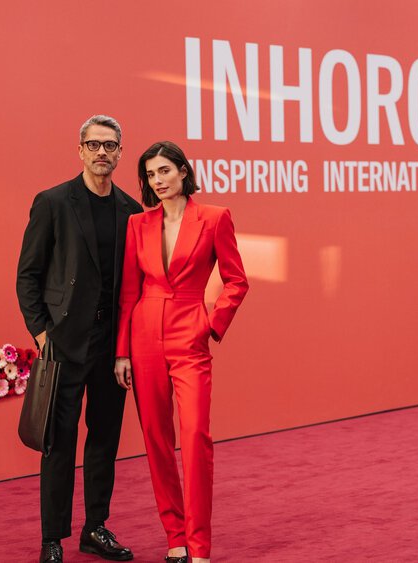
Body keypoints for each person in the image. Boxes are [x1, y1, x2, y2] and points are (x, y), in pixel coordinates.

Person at [114, 141, 249, 563]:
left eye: (165, 171)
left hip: (190, 331)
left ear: (183, 172)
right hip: (144, 334)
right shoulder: (139, 223)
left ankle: (200, 547)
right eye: (151, 175)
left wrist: (211, 324)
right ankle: (175, 539)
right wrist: (122, 352)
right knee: (156, 439)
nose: (159, 180)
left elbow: (236, 280)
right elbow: (129, 292)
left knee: (194, 438)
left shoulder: (214, 217)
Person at [17, 115, 143, 563]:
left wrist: (128, 346)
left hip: (113, 347)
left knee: (105, 439)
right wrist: (41, 332)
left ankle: (96, 529)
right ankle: (53, 538)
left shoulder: (131, 210)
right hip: (64, 345)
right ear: (80, 150)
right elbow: (28, 275)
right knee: (58, 442)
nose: (102, 153)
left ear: (121, 153)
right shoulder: (52, 202)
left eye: (110, 146)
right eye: (94, 146)